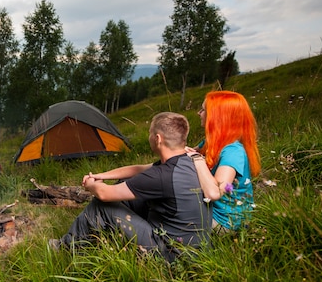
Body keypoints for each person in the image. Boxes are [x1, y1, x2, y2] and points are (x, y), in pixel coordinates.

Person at [50, 112, 212, 261]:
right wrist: (101, 176)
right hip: (195, 249)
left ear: (158, 138)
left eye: (150, 133)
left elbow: (105, 194)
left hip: (170, 255)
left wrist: (92, 185)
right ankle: (102, 236)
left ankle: (65, 248)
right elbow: (137, 169)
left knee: (101, 206)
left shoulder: (160, 176)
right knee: (125, 187)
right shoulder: (186, 161)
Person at [185, 91, 261, 232]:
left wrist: (197, 159)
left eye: (203, 110)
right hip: (211, 212)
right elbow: (186, 155)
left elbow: (216, 192)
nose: (198, 113)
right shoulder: (212, 142)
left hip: (227, 222)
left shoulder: (233, 151)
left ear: (217, 117)